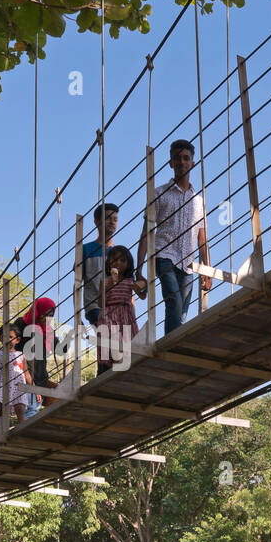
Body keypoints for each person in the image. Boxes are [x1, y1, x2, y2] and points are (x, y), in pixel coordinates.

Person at [137, 139, 211, 334]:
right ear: (170, 163)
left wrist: (207, 270)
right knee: (174, 301)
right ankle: (171, 348)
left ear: (193, 162)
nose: (181, 162)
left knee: (182, 313)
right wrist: (139, 270)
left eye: (186, 158)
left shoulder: (198, 201)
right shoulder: (159, 193)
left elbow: (201, 237)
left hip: (188, 262)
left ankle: (174, 342)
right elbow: (146, 232)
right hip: (164, 255)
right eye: (177, 158)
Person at [96, 245, 147, 374]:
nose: (118, 263)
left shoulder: (130, 280)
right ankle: (118, 365)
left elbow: (143, 295)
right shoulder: (105, 280)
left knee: (127, 342)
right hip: (110, 314)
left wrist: (143, 284)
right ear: (109, 263)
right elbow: (101, 303)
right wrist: (111, 283)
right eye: (114, 260)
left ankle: (124, 366)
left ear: (128, 263)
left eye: (122, 260)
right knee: (113, 339)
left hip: (125, 316)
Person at [0, 323, 32, 424]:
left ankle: (22, 431)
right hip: (4, 385)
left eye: (10, 337)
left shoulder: (21, 355)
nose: (8, 339)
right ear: (0, 338)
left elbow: (26, 372)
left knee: (21, 408)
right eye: (5, 337)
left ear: (17, 340)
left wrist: (34, 388)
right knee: (3, 410)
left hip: (19, 386)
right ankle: (2, 430)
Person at [82, 202, 119, 326]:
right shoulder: (85, 250)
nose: (112, 222)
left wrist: (132, 311)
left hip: (117, 308)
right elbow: (77, 282)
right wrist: (77, 314)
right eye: (108, 218)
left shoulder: (120, 254)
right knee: (109, 338)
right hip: (94, 306)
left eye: (115, 219)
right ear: (97, 222)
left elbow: (128, 284)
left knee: (115, 343)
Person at [16, 298, 57, 404]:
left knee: (36, 407)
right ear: (39, 311)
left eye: (51, 316)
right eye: (46, 314)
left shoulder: (48, 330)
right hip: (24, 374)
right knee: (30, 408)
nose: (48, 318)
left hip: (40, 375)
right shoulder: (21, 323)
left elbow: (60, 347)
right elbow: (11, 343)